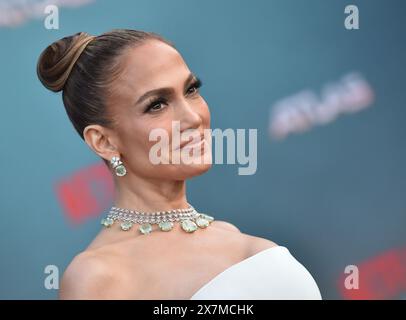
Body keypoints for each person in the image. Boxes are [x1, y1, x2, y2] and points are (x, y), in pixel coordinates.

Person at [36, 29, 322, 300]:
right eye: (157, 105)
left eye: (191, 90)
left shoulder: (232, 237)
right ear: (104, 142)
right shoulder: (97, 277)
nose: (193, 118)